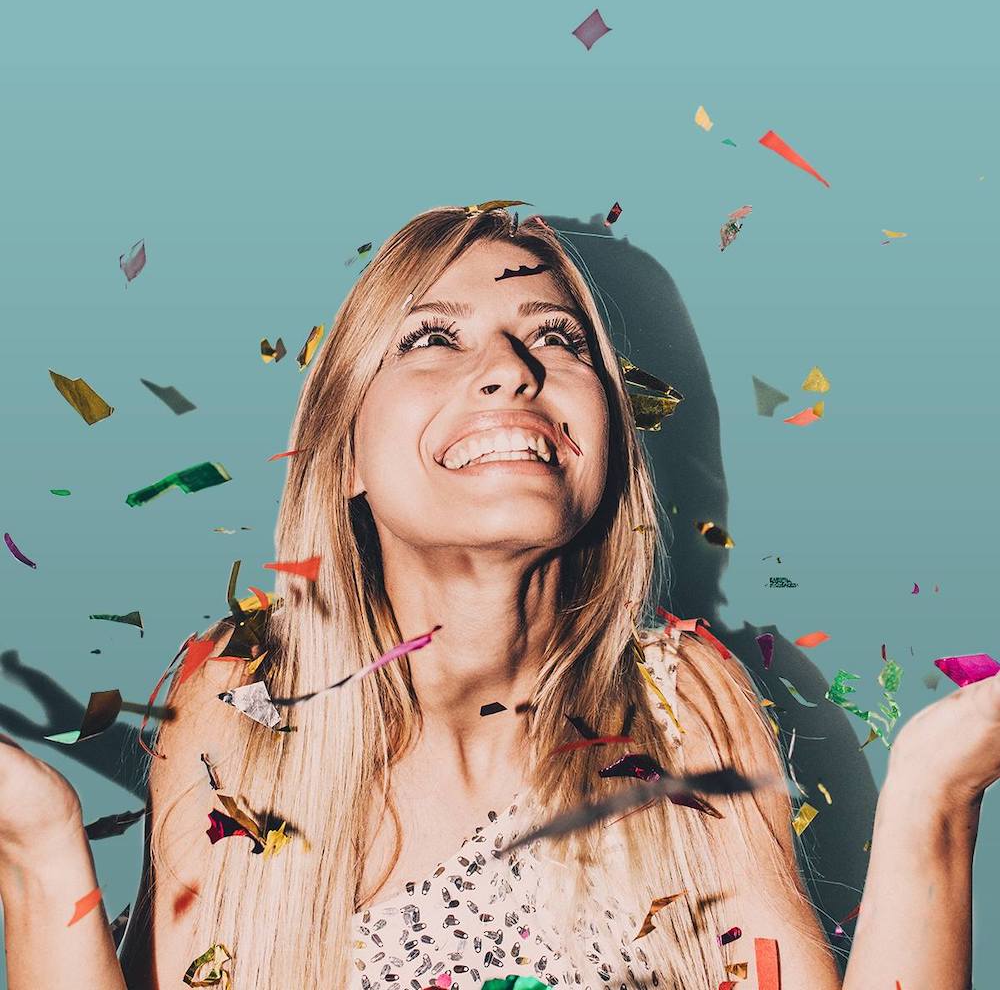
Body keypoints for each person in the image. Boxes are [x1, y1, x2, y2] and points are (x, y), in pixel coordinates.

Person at [1, 206, 998, 990]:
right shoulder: (243, 694)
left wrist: (935, 792)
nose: (513, 371)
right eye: (432, 335)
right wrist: (37, 846)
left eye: (557, 336)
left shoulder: (683, 695)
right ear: (343, 449)